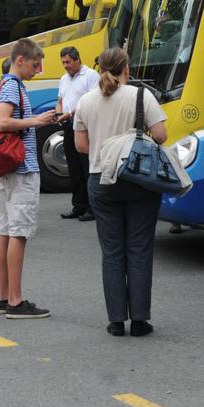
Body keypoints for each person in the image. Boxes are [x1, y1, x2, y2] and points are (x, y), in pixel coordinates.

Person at [72, 48, 168, 336]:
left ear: (100, 68)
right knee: (139, 248)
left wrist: (106, 151)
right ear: (126, 68)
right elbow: (161, 135)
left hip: (101, 178)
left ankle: (115, 320)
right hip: (138, 179)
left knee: (112, 251)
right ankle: (139, 320)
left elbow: (80, 145)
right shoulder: (141, 96)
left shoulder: (85, 101)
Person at [0, 38, 57, 319]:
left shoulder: (4, 85)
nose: (37, 70)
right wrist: (37, 121)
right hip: (21, 168)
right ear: (20, 60)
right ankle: (15, 301)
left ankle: (4, 296)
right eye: (34, 64)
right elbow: (3, 122)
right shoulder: (12, 86)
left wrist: (41, 120)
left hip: (9, 168)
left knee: (5, 231)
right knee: (18, 233)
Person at [57, 46, 100, 222]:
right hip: (68, 125)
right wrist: (59, 113)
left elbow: (91, 101)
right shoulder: (64, 78)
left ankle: (92, 207)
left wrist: (69, 113)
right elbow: (60, 100)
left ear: (77, 59)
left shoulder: (91, 76)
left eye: (68, 62)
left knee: (87, 167)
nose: (65, 66)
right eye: (63, 62)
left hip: (84, 126)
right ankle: (78, 206)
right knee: (74, 168)